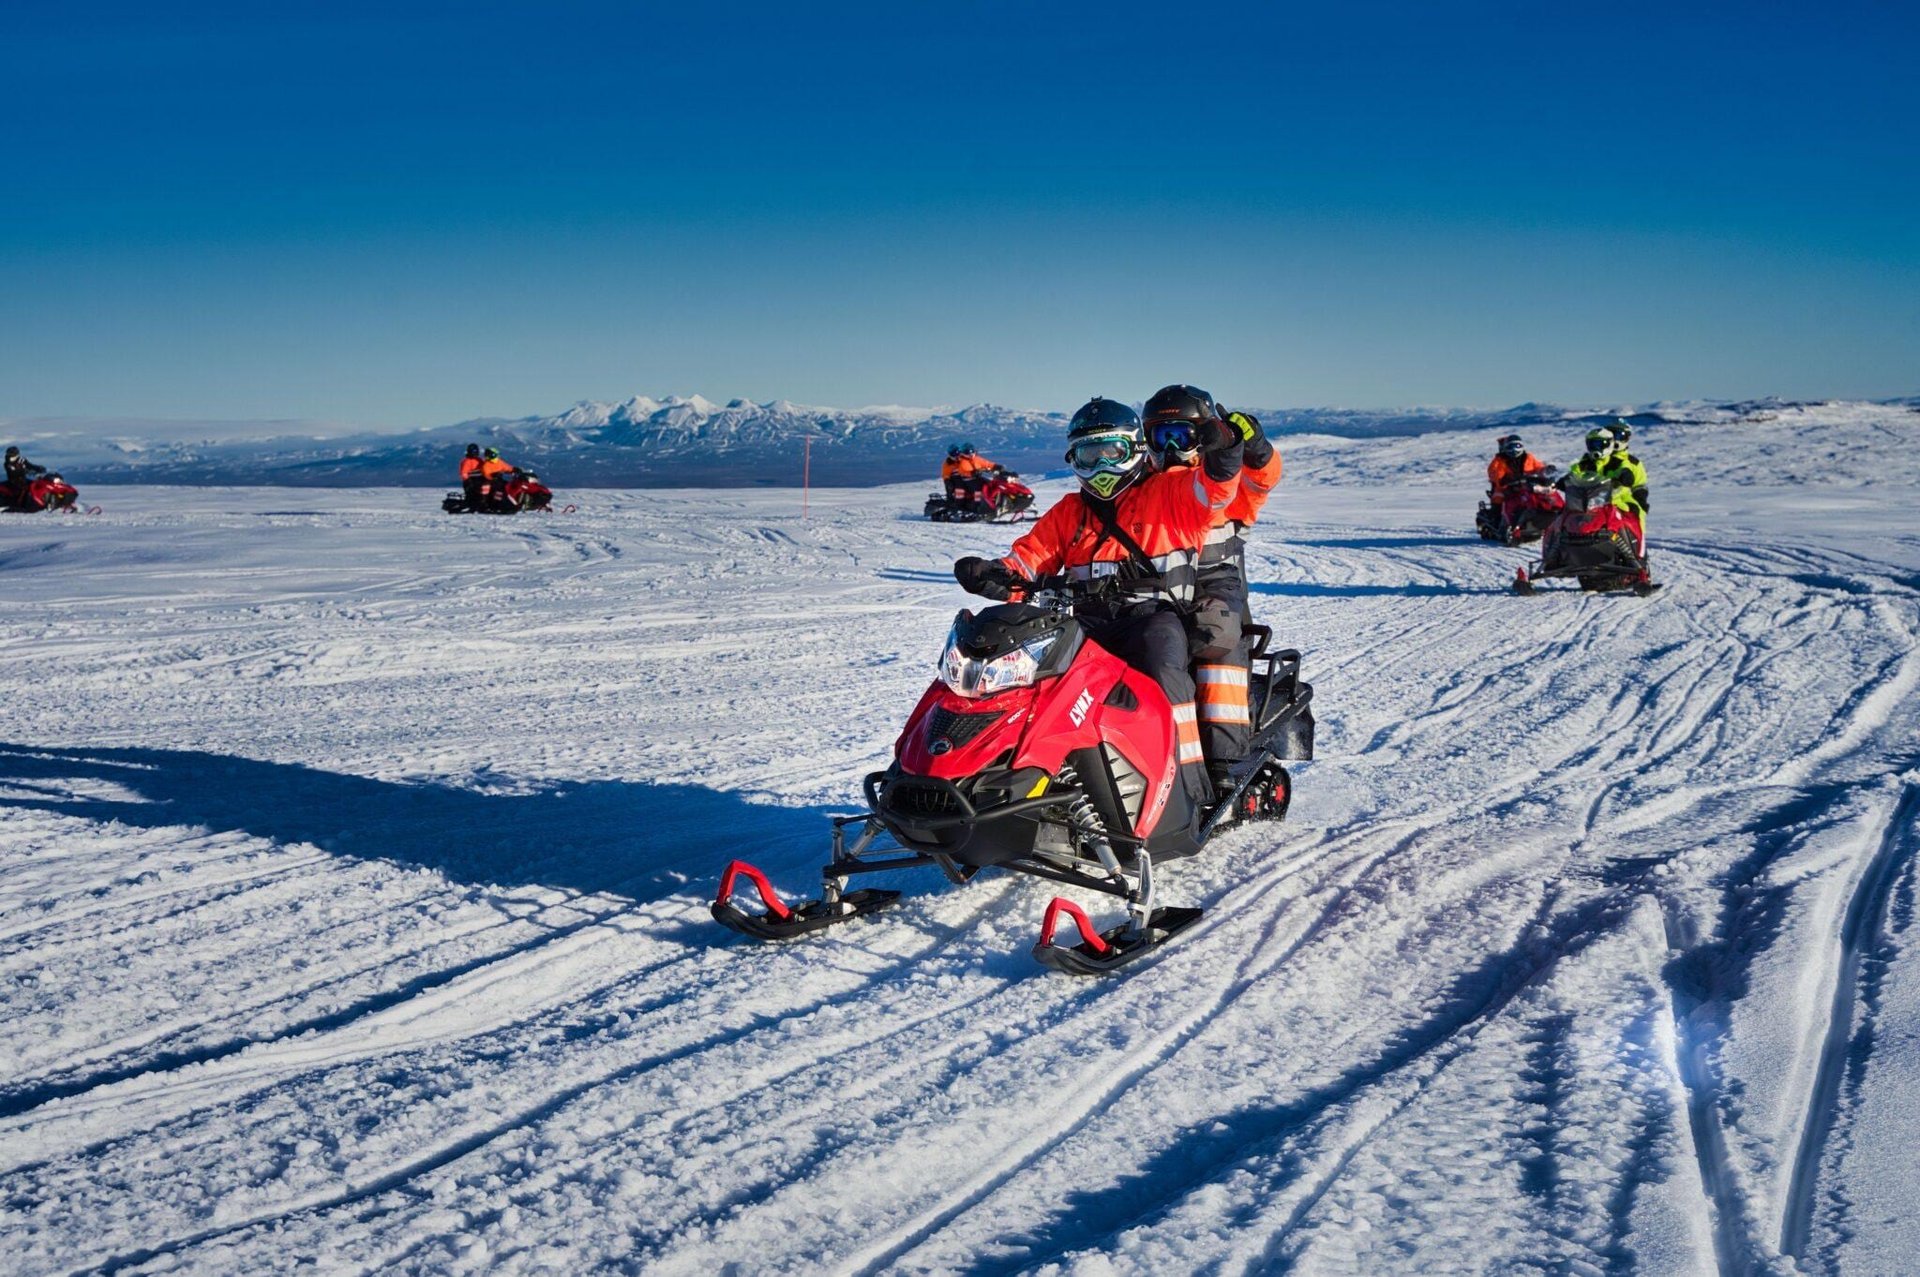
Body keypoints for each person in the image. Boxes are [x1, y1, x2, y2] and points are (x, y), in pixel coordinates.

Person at [953, 396, 1242, 805]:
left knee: (1160, 668)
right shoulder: (1069, 511)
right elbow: (1028, 558)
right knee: (1035, 679)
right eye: (1089, 455)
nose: (1101, 466)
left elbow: (1213, 491)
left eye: (1111, 452)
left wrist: (1225, 450)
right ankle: (1033, 777)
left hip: (1152, 618)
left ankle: (1186, 789)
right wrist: (994, 576)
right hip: (1084, 623)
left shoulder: (1169, 492)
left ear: (1135, 449)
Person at [1143, 385, 1281, 791]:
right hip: (1159, 588)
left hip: (1215, 586)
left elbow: (1264, 478)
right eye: (1160, 437)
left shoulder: (1227, 485)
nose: (1170, 449)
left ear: (1203, 438)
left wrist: (1251, 446)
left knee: (1215, 634)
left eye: (1181, 437)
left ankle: (1223, 762)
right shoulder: (1147, 488)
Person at [459, 443, 485, 508]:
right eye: (473, 452)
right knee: (473, 494)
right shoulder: (467, 461)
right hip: (470, 482)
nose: (475, 453)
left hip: (480, 480)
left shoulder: (479, 460)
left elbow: (485, 468)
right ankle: (473, 505)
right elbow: (463, 473)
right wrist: (468, 480)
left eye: (476, 451)